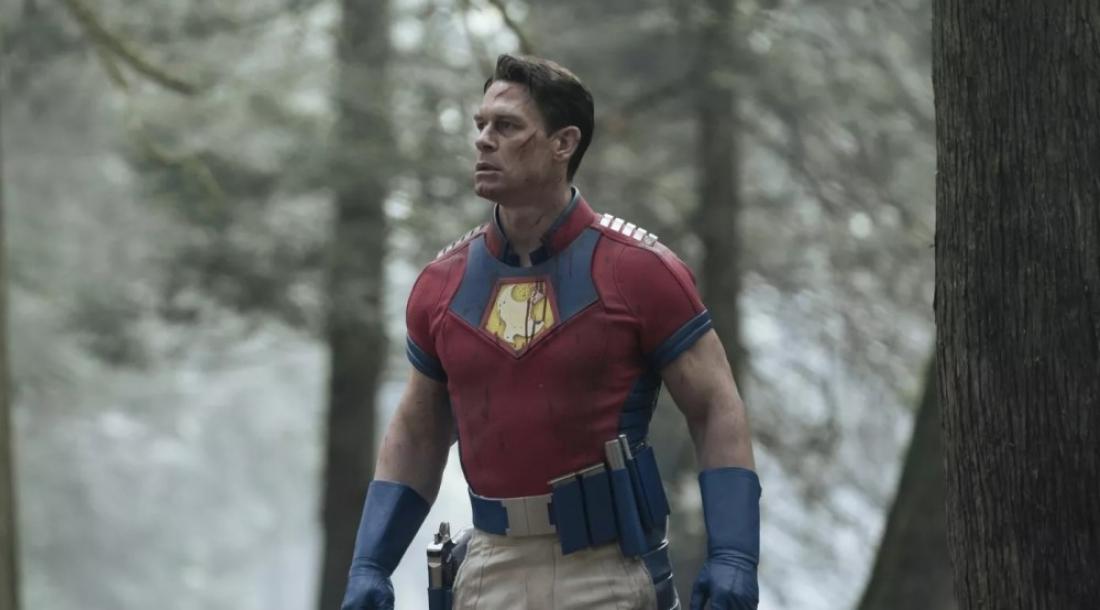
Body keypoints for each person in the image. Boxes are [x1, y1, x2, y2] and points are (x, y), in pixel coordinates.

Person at [340, 54, 761, 610]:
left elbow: (714, 406)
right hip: (487, 569)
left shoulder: (639, 270)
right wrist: (371, 563)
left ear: (564, 143)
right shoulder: (441, 285)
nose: (483, 140)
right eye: (481, 125)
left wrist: (734, 553)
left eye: (507, 126)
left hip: (609, 568)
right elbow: (418, 434)